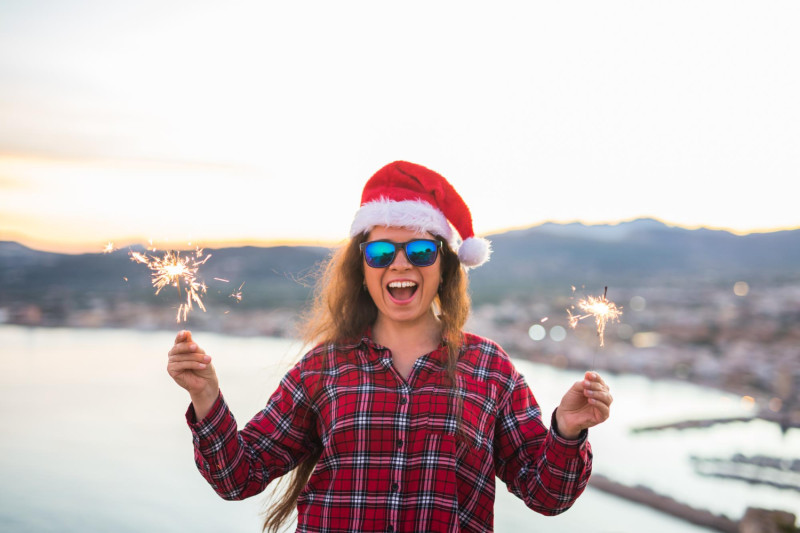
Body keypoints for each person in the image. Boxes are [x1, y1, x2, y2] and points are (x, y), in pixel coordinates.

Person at [167, 161, 613, 532]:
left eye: (420, 250)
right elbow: (237, 476)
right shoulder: (322, 368)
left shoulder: (489, 369)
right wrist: (205, 396)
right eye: (381, 253)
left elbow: (546, 496)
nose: (400, 263)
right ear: (362, 268)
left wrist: (568, 430)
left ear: (446, 266)